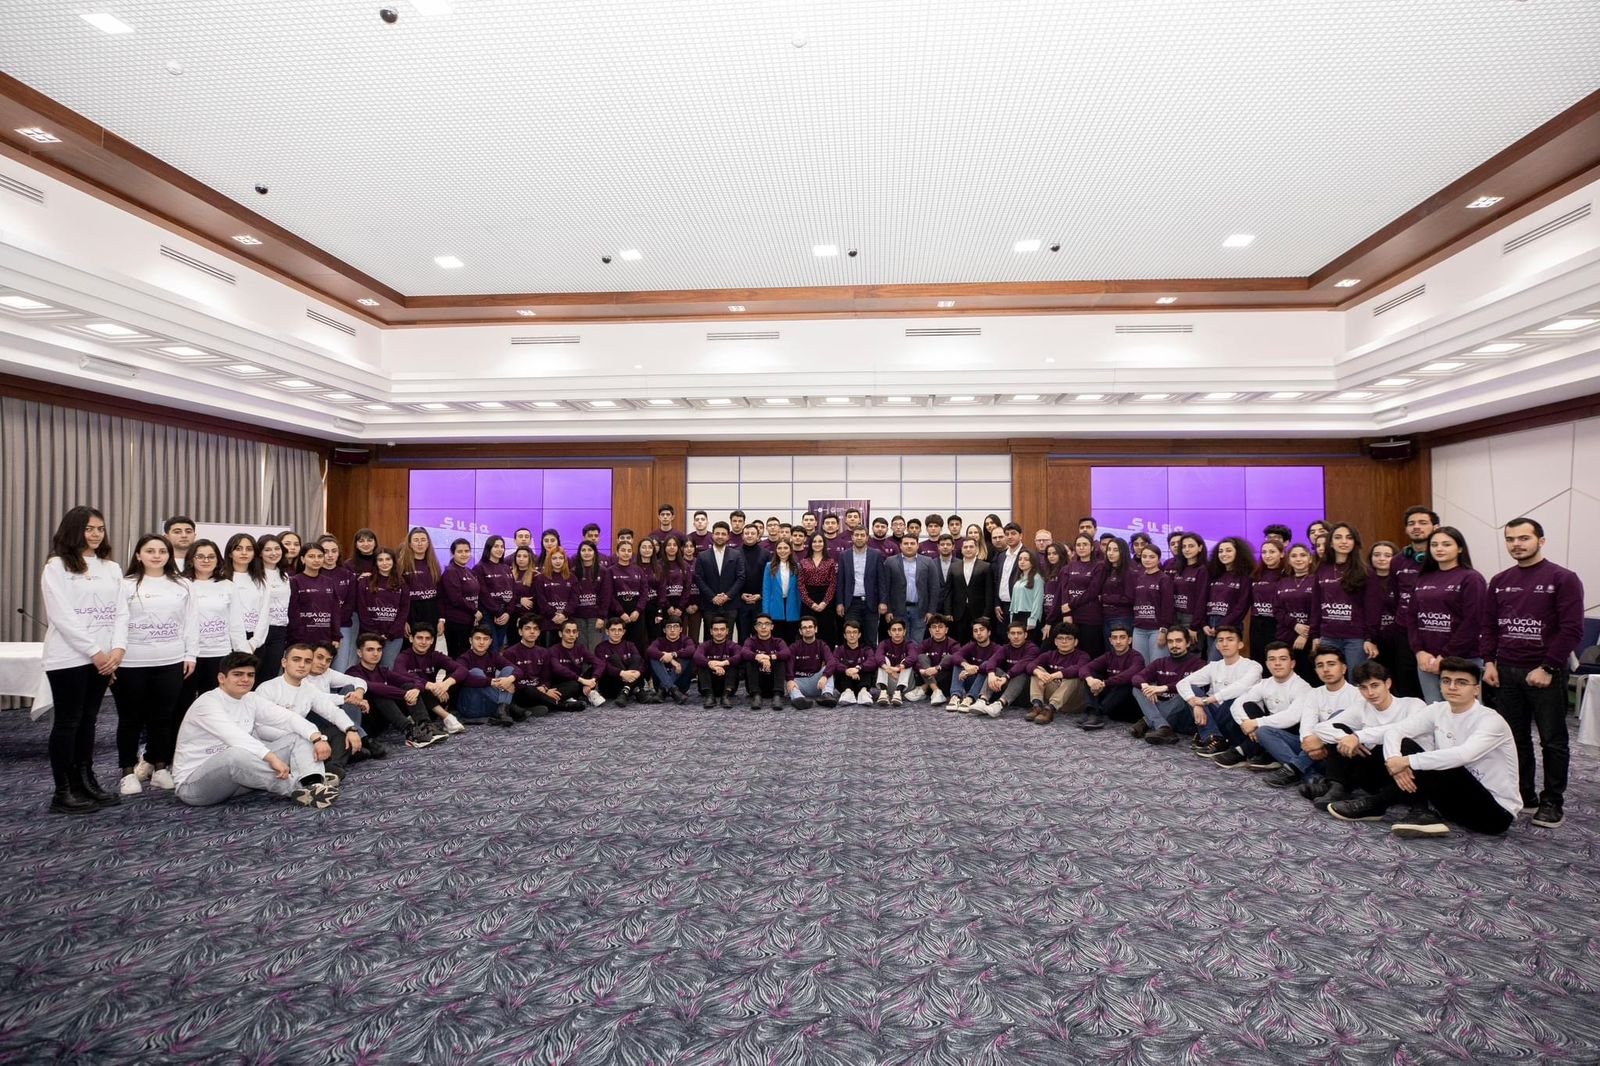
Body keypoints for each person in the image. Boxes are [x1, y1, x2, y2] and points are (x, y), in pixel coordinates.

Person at [1482, 517, 1585, 828]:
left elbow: (1571, 629)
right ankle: (1524, 794)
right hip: (1506, 671)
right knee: (1514, 739)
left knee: (1553, 740)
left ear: (1541, 541)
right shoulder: (1499, 580)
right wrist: (1489, 662)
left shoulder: (1563, 578)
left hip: (1545, 672)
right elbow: (1489, 626)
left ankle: (1552, 801)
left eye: (1524, 538)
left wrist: (1548, 666)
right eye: (1510, 539)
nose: (1516, 544)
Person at [40, 506, 126, 814]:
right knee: (68, 722)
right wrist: (94, 651)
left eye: (100, 529)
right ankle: (63, 791)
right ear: (74, 530)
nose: (95, 534)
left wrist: (118, 649)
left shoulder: (111, 567)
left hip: (105, 658)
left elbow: (121, 611)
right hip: (69, 657)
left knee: (89, 721)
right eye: (89, 528)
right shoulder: (57, 566)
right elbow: (62, 616)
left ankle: (85, 781)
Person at [1377, 658, 1522, 838]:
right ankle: (1420, 811)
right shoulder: (1439, 709)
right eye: (1446, 681)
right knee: (1407, 745)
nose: (1452, 687)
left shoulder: (1491, 720)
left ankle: (1378, 803)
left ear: (1476, 689)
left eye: (1461, 682)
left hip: (1494, 814)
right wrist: (1393, 760)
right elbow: (1395, 731)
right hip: (1454, 805)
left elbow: (1463, 755)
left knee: (1438, 761)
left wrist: (1406, 761)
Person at [171, 653, 335, 809]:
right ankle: (299, 789)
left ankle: (313, 782)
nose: (245, 679)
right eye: (238, 674)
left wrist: (317, 738)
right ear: (222, 678)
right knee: (235, 755)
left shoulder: (250, 698)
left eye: (250, 675)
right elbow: (235, 737)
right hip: (195, 788)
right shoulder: (207, 703)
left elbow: (289, 718)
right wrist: (271, 758)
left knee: (301, 736)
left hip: (238, 780)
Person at [113, 533, 198, 796]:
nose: (157, 556)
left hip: (171, 660)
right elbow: (116, 623)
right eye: (150, 551)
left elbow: (191, 622)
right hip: (131, 662)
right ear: (138, 555)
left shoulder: (183, 585)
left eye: (162, 551)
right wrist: (114, 657)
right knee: (131, 718)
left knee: (164, 717)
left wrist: (191, 655)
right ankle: (127, 772)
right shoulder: (125, 585)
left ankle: (160, 767)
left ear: (169, 555)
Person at [1313, 661, 1429, 820]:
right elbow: (1321, 728)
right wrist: (1345, 738)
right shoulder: (1361, 706)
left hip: (1409, 774)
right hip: (1376, 773)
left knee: (1406, 743)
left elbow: (1400, 729)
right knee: (1340, 729)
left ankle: (1388, 804)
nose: (1370, 693)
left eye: (1375, 686)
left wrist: (1358, 737)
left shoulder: (1413, 704)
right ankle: (1338, 787)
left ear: (1387, 683)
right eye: (1363, 688)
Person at [1252, 646, 1365, 791]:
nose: (1326, 669)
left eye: (1331, 664)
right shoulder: (1314, 693)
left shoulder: (1358, 694)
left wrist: (1321, 741)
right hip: (1314, 750)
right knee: (1264, 731)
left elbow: (1357, 731)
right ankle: (1311, 776)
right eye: (1320, 665)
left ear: (1343, 668)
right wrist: (1310, 743)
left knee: (1337, 718)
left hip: (1341, 752)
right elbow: (1306, 725)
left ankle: (1295, 768)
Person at [255, 644, 364, 789]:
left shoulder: (309, 689)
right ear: (284, 662)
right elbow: (262, 729)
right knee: (303, 739)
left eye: (307, 661)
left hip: (304, 739)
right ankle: (312, 781)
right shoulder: (267, 688)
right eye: (296, 660)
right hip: (271, 749)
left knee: (340, 731)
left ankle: (331, 768)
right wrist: (311, 737)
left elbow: (332, 711)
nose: (302, 665)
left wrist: (351, 729)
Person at [1407, 527, 1487, 705]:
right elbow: (1412, 618)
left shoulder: (1471, 578)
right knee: (1434, 709)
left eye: (1446, 544)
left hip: (1463, 658)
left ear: (1460, 548)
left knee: (1465, 711)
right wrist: (1419, 651)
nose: (1439, 548)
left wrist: (1445, 656)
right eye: (1434, 544)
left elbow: (1473, 622)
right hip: (1427, 660)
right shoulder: (1423, 578)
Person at [179, 539, 248, 718]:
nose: (206, 560)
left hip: (219, 654)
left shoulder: (228, 586)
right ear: (191, 559)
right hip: (187, 656)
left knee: (214, 705)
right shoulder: (181, 584)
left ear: (218, 560)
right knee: (183, 704)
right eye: (200, 556)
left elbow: (236, 624)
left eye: (211, 556)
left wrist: (243, 655)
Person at [1171, 625, 1264, 756]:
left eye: (1230, 639)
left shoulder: (1253, 666)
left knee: (1233, 698)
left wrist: (1206, 700)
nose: (1225, 644)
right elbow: (1182, 683)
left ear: (1240, 645)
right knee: (1192, 689)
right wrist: (1196, 704)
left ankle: (1209, 735)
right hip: (1215, 715)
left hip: (1239, 718)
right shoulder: (1214, 666)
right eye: (1220, 640)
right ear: (1217, 646)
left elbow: (1240, 687)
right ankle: (1214, 737)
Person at [1218, 641, 1313, 770]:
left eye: (1283, 659)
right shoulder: (1265, 683)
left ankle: (1245, 750)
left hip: (1293, 735)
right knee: (1248, 706)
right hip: (1268, 729)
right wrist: (1246, 722)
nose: (1277, 663)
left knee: (1269, 727)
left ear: (1292, 663)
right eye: (1272, 659)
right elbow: (1237, 704)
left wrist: (1256, 723)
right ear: (1267, 664)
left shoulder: (1302, 687)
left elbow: (1292, 717)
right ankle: (1266, 752)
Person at [346, 633, 448, 748]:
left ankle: (425, 726)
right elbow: (373, 687)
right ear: (359, 653)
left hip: (384, 719)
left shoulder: (383, 671)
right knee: (380, 693)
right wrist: (405, 694)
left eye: (379, 650)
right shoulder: (353, 672)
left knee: (409, 686)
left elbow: (414, 680)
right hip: (367, 722)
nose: (375, 653)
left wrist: (416, 689)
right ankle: (410, 732)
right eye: (370, 650)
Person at [1130, 626, 1207, 746]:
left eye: (1178, 641)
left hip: (1183, 714)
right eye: (1170, 641)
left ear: (1188, 643)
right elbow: (1136, 677)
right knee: (1137, 689)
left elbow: (1191, 685)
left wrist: (1164, 687)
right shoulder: (1160, 662)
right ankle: (1163, 727)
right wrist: (1144, 685)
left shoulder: (1199, 664)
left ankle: (1146, 722)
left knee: (1186, 692)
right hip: (1161, 707)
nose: (1174, 645)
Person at [393, 628, 468, 733]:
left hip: (433, 700)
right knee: (413, 684)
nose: (423, 642)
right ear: (411, 638)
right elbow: (399, 673)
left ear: (432, 641)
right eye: (419, 638)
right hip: (411, 703)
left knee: (454, 678)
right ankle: (447, 717)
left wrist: (445, 685)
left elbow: (462, 669)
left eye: (427, 638)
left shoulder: (435, 655)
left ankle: (442, 713)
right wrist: (429, 685)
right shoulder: (403, 656)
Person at [1080, 624, 1145, 731]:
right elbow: (1085, 668)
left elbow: (1129, 675)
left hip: (1129, 707)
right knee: (1092, 677)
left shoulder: (1137, 657)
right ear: (1110, 641)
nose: (1118, 641)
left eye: (1122, 637)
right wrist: (1090, 680)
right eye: (1115, 638)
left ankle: (1097, 714)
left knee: (1127, 683)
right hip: (1111, 704)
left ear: (1129, 640)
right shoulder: (1108, 656)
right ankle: (1093, 713)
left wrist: (1104, 683)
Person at [355, 548, 410, 667]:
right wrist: (374, 633)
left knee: (387, 668)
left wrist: (390, 634)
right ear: (375, 562)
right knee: (367, 668)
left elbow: (404, 611)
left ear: (393, 561)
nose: (384, 563)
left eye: (388, 559)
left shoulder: (402, 583)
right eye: (380, 560)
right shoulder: (365, 582)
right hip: (369, 635)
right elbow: (362, 609)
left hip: (393, 637)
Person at [1272, 544, 1319, 682]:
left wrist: (1305, 634)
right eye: (1294, 556)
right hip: (1285, 636)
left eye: (1303, 555)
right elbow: (1277, 610)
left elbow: (1319, 611)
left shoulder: (1317, 581)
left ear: (1310, 559)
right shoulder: (1282, 582)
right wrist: (1294, 625)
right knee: (1286, 679)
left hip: (1309, 638)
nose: (1298, 559)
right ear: (1289, 560)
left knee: (1308, 678)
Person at [453, 625, 517, 725]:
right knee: (476, 672)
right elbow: (463, 679)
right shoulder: (464, 659)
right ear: (470, 640)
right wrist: (493, 683)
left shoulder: (493, 656)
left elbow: (517, 670)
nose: (482, 642)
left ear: (490, 641)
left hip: (490, 705)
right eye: (478, 638)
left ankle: (502, 709)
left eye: (485, 639)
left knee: (509, 670)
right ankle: (508, 706)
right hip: (471, 707)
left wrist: (510, 680)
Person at [1201, 538, 1253, 661]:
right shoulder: (1214, 574)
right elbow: (1203, 600)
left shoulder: (1245, 577)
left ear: (1238, 553)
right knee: (1215, 665)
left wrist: (1221, 626)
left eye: (1228, 550)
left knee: (1214, 661)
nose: (1224, 554)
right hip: (1210, 625)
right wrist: (1204, 624)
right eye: (1221, 551)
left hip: (1230, 625)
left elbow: (1242, 606)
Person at [1028, 625, 1091, 725]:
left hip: (1073, 700)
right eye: (1060, 638)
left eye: (1068, 638)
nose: (1064, 641)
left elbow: (1079, 668)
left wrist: (1054, 675)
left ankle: (1050, 709)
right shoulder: (1049, 654)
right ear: (1055, 642)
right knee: (1037, 670)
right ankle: (1037, 705)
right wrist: (1039, 673)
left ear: (1075, 642)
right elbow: (1030, 665)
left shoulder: (1083, 656)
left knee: (1074, 677)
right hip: (1053, 695)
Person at [883, 534, 940, 643]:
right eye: (906, 543)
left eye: (912, 543)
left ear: (918, 545)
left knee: (917, 643)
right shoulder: (890, 562)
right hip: (897, 610)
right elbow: (885, 588)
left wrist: (931, 611)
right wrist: (888, 610)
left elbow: (934, 588)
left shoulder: (928, 562)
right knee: (899, 642)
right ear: (900, 546)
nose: (909, 546)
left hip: (920, 610)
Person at [1058, 536, 1106, 660]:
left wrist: (1070, 605)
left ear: (1092, 547)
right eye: (1078, 545)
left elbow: (1092, 591)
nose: (1081, 547)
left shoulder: (1099, 566)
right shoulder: (1068, 567)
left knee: (1090, 654)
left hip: (1091, 617)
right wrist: (1066, 613)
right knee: (1072, 655)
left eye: (1085, 544)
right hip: (1072, 617)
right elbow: (1064, 591)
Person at [693, 522, 745, 637]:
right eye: (717, 533)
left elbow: (740, 578)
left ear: (728, 536)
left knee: (728, 638)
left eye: (723, 534)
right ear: (712, 535)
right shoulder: (702, 555)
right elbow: (699, 578)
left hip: (730, 604)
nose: (720, 536)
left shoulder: (736, 555)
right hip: (709, 605)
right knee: (709, 637)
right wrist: (713, 597)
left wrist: (727, 596)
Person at [837, 526, 887, 644]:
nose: (859, 538)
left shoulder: (876, 554)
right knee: (852, 638)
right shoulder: (844, 555)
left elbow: (881, 580)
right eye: (856, 535)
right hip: (851, 603)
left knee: (871, 638)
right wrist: (839, 603)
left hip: (871, 603)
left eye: (862, 535)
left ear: (867, 538)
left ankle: (870, 656)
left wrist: (883, 601)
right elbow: (841, 581)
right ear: (852, 537)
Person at [396, 526, 442, 652]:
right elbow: (397, 596)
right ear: (410, 544)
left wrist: (441, 619)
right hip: (410, 611)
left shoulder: (434, 564)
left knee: (428, 648)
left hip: (431, 611)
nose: (420, 543)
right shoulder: (401, 564)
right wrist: (403, 620)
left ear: (428, 543)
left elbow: (440, 595)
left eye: (423, 540)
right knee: (409, 649)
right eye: (416, 540)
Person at [254, 534, 292, 683]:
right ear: (260, 553)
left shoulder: (284, 575)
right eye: (268, 550)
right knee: (254, 673)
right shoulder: (254, 575)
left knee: (270, 675)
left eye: (277, 548)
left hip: (279, 630)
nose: (273, 553)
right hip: (259, 629)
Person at [606, 538, 653, 661]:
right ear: (617, 552)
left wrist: (638, 610)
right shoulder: (610, 571)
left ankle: (638, 670)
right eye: (623, 550)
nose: (626, 553)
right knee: (618, 644)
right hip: (617, 613)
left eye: (629, 551)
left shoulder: (638, 570)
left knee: (637, 644)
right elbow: (609, 595)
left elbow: (644, 592)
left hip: (636, 613)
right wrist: (621, 613)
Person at [436, 538, 483, 656]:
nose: (464, 554)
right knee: (457, 656)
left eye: (466, 551)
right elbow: (455, 599)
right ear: (453, 553)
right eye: (460, 551)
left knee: (466, 655)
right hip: (456, 621)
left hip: (469, 620)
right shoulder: (451, 571)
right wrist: (474, 611)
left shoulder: (469, 571)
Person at [1130, 543, 1174, 666]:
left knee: (1157, 666)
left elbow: (1167, 606)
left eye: (1151, 557)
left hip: (1157, 630)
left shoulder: (1164, 579)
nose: (1147, 560)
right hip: (1139, 629)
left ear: (1159, 559)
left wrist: (1163, 630)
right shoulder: (1138, 578)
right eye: (1144, 556)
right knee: (1140, 666)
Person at [942, 536, 992, 643]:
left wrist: (987, 613)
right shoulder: (953, 567)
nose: (968, 549)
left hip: (979, 612)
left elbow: (989, 592)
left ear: (976, 549)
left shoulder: (986, 566)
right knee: (960, 641)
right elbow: (948, 591)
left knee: (979, 641)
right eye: (965, 547)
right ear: (961, 549)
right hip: (958, 612)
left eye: (971, 547)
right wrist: (947, 612)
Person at [548, 620, 604, 708]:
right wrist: (582, 680)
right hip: (562, 684)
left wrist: (593, 679)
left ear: (577, 634)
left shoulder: (580, 648)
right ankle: (581, 694)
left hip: (578, 681)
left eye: (574, 632)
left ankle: (586, 691)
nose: (571, 634)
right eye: (568, 631)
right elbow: (558, 669)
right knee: (574, 685)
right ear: (560, 634)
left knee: (596, 668)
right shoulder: (553, 650)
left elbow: (599, 663)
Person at [784, 616, 838, 708]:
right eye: (804, 627)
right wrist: (789, 680)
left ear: (815, 629)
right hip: (799, 683)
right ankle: (798, 699)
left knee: (828, 668)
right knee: (789, 681)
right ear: (800, 631)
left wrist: (825, 676)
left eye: (810, 627)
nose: (808, 630)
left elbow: (831, 661)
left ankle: (826, 695)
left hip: (817, 683)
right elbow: (788, 665)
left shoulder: (821, 645)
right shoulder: (794, 647)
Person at [473, 536, 516, 650]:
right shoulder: (479, 567)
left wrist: (508, 612)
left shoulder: (506, 568)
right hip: (488, 614)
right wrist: (497, 612)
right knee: (492, 647)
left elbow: (513, 591)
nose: (500, 549)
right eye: (496, 546)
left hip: (505, 613)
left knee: (500, 646)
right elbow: (483, 594)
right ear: (489, 548)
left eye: (502, 546)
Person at [741, 613, 792, 709]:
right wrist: (758, 657)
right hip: (756, 684)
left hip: (773, 684)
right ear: (755, 627)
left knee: (780, 659)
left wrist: (769, 657)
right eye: (759, 624)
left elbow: (787, 653)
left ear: (772, 626)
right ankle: (756, 696)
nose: (763, 627)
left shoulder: (778, 641)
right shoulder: (750, 641)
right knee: (750, 659)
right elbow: (744, 652)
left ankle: (777, 696)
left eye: (767, 624)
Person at [594, 618, 648, 706]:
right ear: (607, 632)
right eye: (613, 630)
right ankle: (636, 690)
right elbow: (603, 667)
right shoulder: (600, 648)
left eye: (619, 630)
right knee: (614, 659)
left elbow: (641, 662)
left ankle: (625, 691)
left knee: (636, 658)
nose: (616, 633)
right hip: (611, 687)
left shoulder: (629, 645)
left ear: (624, 632)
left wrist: (638, 672)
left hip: (628, 684)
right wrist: (621, 673)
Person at [908, 614, 960, 704]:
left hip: (945, 682)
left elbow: (958, 659)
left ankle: (925, 687)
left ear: (946, 630)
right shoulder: (924, 643)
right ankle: (936, 690)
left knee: (949, 658)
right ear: (930, 631)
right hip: (925, 677)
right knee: (921, 657)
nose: (937, 630)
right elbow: (915, 659)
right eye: (934, 627)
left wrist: (937, 668)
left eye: (940, 627)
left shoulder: (953, 644)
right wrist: (921, 670)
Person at [694, 616, 743, 708]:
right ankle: (709, 696)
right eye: (716, 629)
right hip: (708, 685)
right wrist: (710, 664)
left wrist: (722, 663)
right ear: (711, 631)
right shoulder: (704, 645)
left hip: (727, 686)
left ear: (727, 631)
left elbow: (739, 656)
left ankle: (725, 696)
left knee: (733, 664)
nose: (719, 632)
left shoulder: (733, 646)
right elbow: (697, 656)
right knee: (702, 664)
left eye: (722, 629)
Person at [1249, 540, 1283, 668]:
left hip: (1277, 623)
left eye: (1272, 552)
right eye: (1264, 552)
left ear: (1281, 554)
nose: (1267, 555)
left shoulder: (1287, 574)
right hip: (1257, 622)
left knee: (1276, 659)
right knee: (1258, 660)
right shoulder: (1256, 573)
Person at [534, 546, 577, 647]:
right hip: (548, 623)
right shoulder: (540, 578)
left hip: (566, 622)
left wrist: (564, 614)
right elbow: (541, 600)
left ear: (565, 560)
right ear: (549, 560)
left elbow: (574, 600)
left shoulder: (572, 578)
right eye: (554, 558)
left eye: (561, 558)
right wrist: (552, 615)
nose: (558, 561)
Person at [571, 541, 611, 651]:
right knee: (581, 650)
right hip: (578, 617)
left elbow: (606, 596)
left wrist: (602, 617)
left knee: (594, 649)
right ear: (579, 553)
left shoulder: (603, 571)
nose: (586, 553)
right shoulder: (573, 572)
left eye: (590, 550)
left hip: (596, 617)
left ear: (595, 552)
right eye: (583, 550)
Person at [761, 537, 803, 642]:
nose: (782, 551)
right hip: (775, 607)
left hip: (792, 607)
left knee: (791, 639)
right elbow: (766, 591)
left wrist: (800, 609)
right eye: (779, 548)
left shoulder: (797, 566)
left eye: (785, 548)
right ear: (776, 550)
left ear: (790, 550)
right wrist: (765, 612)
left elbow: (799, 591)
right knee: (777, 639)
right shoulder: (769, 566)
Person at [653, 536, 694, 641]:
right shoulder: (658, 565)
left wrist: (680, 607)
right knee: (662, 638)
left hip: (680, 608)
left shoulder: (685, 566)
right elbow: (658, 588)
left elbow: (687, 588)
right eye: (669, 545)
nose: (672, 547)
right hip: (663, 608)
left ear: (679, 548)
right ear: (664, 547)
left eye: (674, 545)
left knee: (680, 637)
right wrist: (668, 606)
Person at [647, 618, 696, 703]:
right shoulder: (659, 641)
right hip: (663, 684)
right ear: (664, 630)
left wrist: (673, 654)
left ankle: (664, 688)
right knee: (654, 658)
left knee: (686, 657)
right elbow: (650, 650)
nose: (672, 630)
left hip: (681, 685)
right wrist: (671, 660)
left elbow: (691, 650)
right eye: (669, 627)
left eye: (676, 626)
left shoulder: (686, 640)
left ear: (681, 629)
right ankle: (673, 690)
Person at [871, 618, 917, 706]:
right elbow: (878, 656)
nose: (897, 633)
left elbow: (913, 657)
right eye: (894, 630)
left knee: (906, 662)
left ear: (904, 632)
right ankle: (883, 693)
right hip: (888, 681)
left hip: (905, 684)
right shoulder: (884, 643)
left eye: (900, 630)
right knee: (883, 660)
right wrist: (887, 668)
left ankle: (898, 693)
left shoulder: (909, 644)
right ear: (889, 632)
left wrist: (898, 668)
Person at [1171, 534, 1210, 635]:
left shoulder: (1203, 569)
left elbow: (1202, 598)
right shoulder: (1180, 568)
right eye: (1184, 546)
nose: (1187, 549)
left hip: (1191, 618)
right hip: (1176, 616)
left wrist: (1195, 625)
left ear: (1200, 548)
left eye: (1191, 546)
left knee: (1192, 646)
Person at [832, 620, 878, 705]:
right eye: (848, 632)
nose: (852, 635)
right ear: (844, 635)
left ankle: (863, 693)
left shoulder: (866, 649)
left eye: (854, 632)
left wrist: (858, 668)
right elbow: (833, 663)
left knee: (867, 668)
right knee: (840, 670)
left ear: (859, 635)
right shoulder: (839, 650)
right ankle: (848, 693)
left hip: (862, 682)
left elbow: (873, 662)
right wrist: (846, 670)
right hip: (845, 685)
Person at [1005, 549, 1045, 643]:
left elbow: (1038, 601)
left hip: (1029, 615)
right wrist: (1011, 617)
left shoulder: (1037, 578)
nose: (1022, 562)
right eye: (1020, 559)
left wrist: (1033, 619)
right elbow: (1014, 600)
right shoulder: (1019, 578)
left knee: (1029, 643)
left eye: (1026, 559)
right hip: (1017, 615)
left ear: (1032, 562)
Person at [991, 523, 1024, 629]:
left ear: (1021, 535)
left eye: (1013, 533)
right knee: (1003, 636)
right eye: (1007, 534)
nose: (1010, 537)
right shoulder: (1001, 556)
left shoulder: (1027, 555)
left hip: (1020, 606)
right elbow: (997, 582)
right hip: (1002, 607)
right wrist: (997, 604)